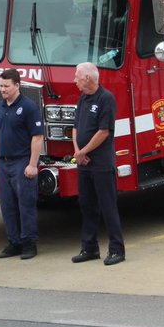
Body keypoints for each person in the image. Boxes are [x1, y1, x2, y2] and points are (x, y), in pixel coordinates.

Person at [70, 62, 125, 265]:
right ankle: (90, 247)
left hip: (101, 163)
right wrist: (78, 151)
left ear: (88, 78)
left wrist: (84, 151)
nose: (74, 80)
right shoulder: (82, 99)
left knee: (107, 205)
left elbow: (104, 131)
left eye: (77, 76)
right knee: (86, 205)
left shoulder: (105, 99)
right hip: (84, 163)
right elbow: (75, 128)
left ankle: (117, 249)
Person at [0, 68, 43, 259]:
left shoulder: (28, 107)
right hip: (4, 164)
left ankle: (29, 243)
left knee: (26, 205)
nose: (3, 90)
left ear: (17, 85)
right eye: (1, 86)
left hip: (21, 161)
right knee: (7, 206)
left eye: (6, 86)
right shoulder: (0, 107)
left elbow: (37, 137)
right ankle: (14, 242)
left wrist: (32, 165)